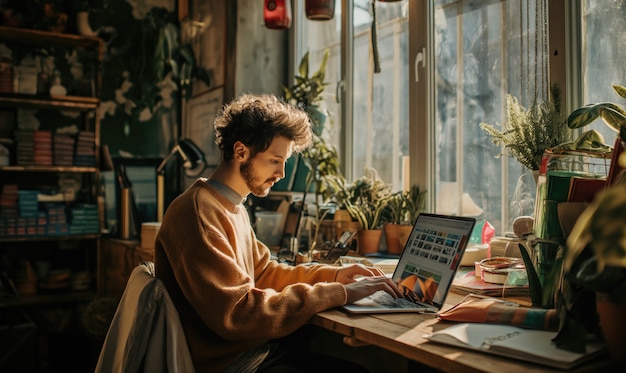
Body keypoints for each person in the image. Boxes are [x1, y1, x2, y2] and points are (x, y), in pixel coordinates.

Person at [154, 93, 404, 373]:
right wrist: (339, 293)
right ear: (240, 152)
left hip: (252, 353)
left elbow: (265, 273)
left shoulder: (230, 206)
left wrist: (334, 276)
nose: (282, 173)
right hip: (233, 365)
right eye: (275, 160)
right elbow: (238, 312)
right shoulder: (197, 213)